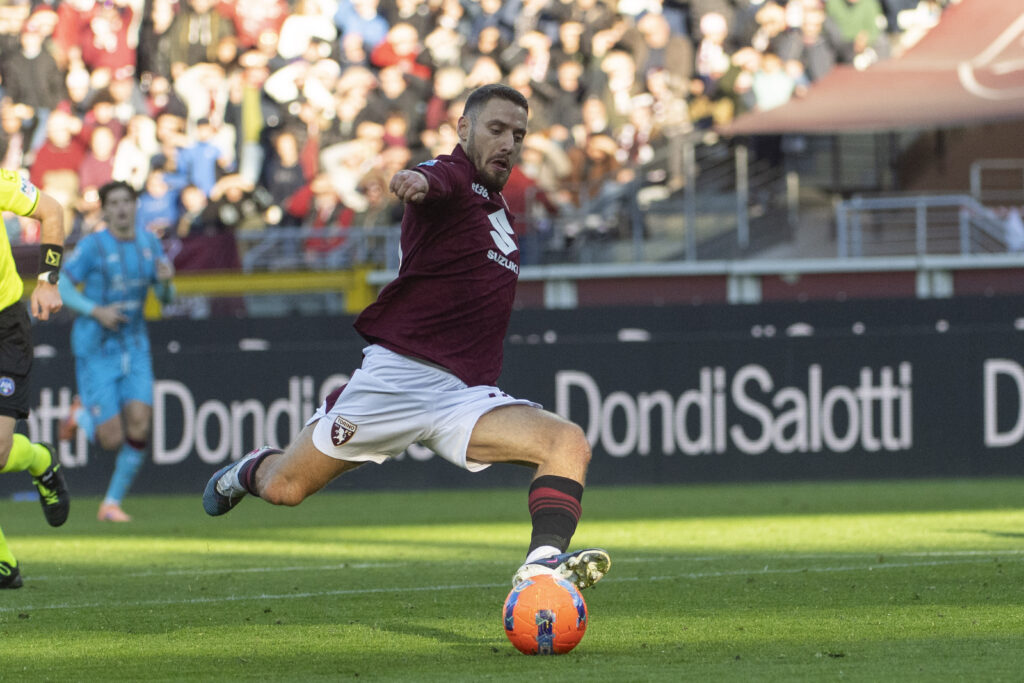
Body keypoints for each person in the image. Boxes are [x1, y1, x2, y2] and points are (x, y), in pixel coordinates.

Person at [202, 84, 610, 590]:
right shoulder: (455, 176)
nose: (508, 142)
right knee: (285, 488)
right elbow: (434, 177)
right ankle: (250, 469)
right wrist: (416, 180)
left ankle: (540, 569)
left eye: (518, 134)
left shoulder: (499, 206)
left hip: (462, 394)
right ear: (464, 129)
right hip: (397, 379)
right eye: (496, 129)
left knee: (566, 442)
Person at [57, 180, 175, 522]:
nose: (122, 208)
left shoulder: (150, 243)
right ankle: (80, 416)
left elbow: (166, 300)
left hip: (135, 346)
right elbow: (61, 284)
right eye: (115, 203)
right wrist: (96, 311)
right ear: (105, 210)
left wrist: (166, 282)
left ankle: (110, 503)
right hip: (96, 348)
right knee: (111, 439)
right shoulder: (93, 245)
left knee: (139, 425)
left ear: (136, 206)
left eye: (127, 201)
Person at [0, 167, 70, 589]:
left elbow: (52, 210)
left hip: (4, 326)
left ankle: (40, 460)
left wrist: (47, 281)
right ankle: (5, 566)